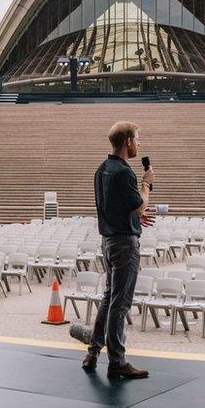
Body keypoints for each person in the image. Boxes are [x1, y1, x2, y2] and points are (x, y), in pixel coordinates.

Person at [70, 121, 154, 380]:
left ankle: (93, 352)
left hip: (108, 241)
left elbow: (112, 206)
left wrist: (131, 217)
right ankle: (117, 361)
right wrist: (146, 184)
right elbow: (140, 205)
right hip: (124, 244)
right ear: (128, 141)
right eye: (137, 139)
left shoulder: (101, 170)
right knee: (120, 303)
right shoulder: (124, 172)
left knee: (108, 299)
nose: (139, 144)